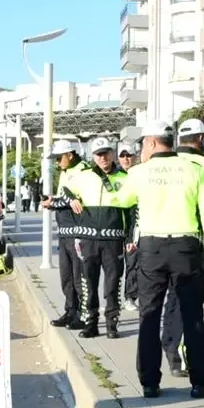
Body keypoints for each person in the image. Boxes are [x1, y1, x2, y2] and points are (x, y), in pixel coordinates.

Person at [109, 120, 204, 398]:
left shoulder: (139, 173)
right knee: (192, 316)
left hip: (152, 249)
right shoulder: (194, 170)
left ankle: (149, 382)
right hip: (186, 247)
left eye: (143, 143)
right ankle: (199, 382)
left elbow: (121, 201)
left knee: (149, 314)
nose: (141, 149)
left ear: (152, 143)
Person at [161, 118, 204, 376]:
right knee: (189, 300)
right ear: (202, 139)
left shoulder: (166, 163)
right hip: (195, 239)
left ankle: (170, 346)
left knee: (172, 296)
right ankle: (183, 353)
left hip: (161, 238)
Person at [72, 136, 132, 338]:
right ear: (93, 157)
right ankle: (91, 324)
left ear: (112, 153)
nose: (103, 157)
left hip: (114, 241)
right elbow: (65, 192)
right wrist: (71, 199)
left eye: (106, 153)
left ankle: (112, 324)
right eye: (99, 154)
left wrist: (131, 238)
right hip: (88, 240)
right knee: (88, 283)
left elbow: (133, 212)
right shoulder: (84, 176)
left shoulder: (125, 178)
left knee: (113, 284)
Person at [42, 138, 90, 329]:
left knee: (80, 278)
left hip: (77, 232)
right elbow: (67, 198)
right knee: (66, 277)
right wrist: (53, 200)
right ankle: (70, 311)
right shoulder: (66, 172)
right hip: (64, 232)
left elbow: (78, 202)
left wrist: (53, 203)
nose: (56, 162)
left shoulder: (83, 171)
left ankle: (84, 315)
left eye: (58, 158)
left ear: (70, 155)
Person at [117, 143, 140, 312]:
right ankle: (113, 297)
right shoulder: (115, 176)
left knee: (133, 263)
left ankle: (130, 296)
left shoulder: (140, 174)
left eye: (129, 155)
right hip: (115, 226)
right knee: (114, 266)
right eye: (122, 155)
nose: (126, 158)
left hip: (134, 226)